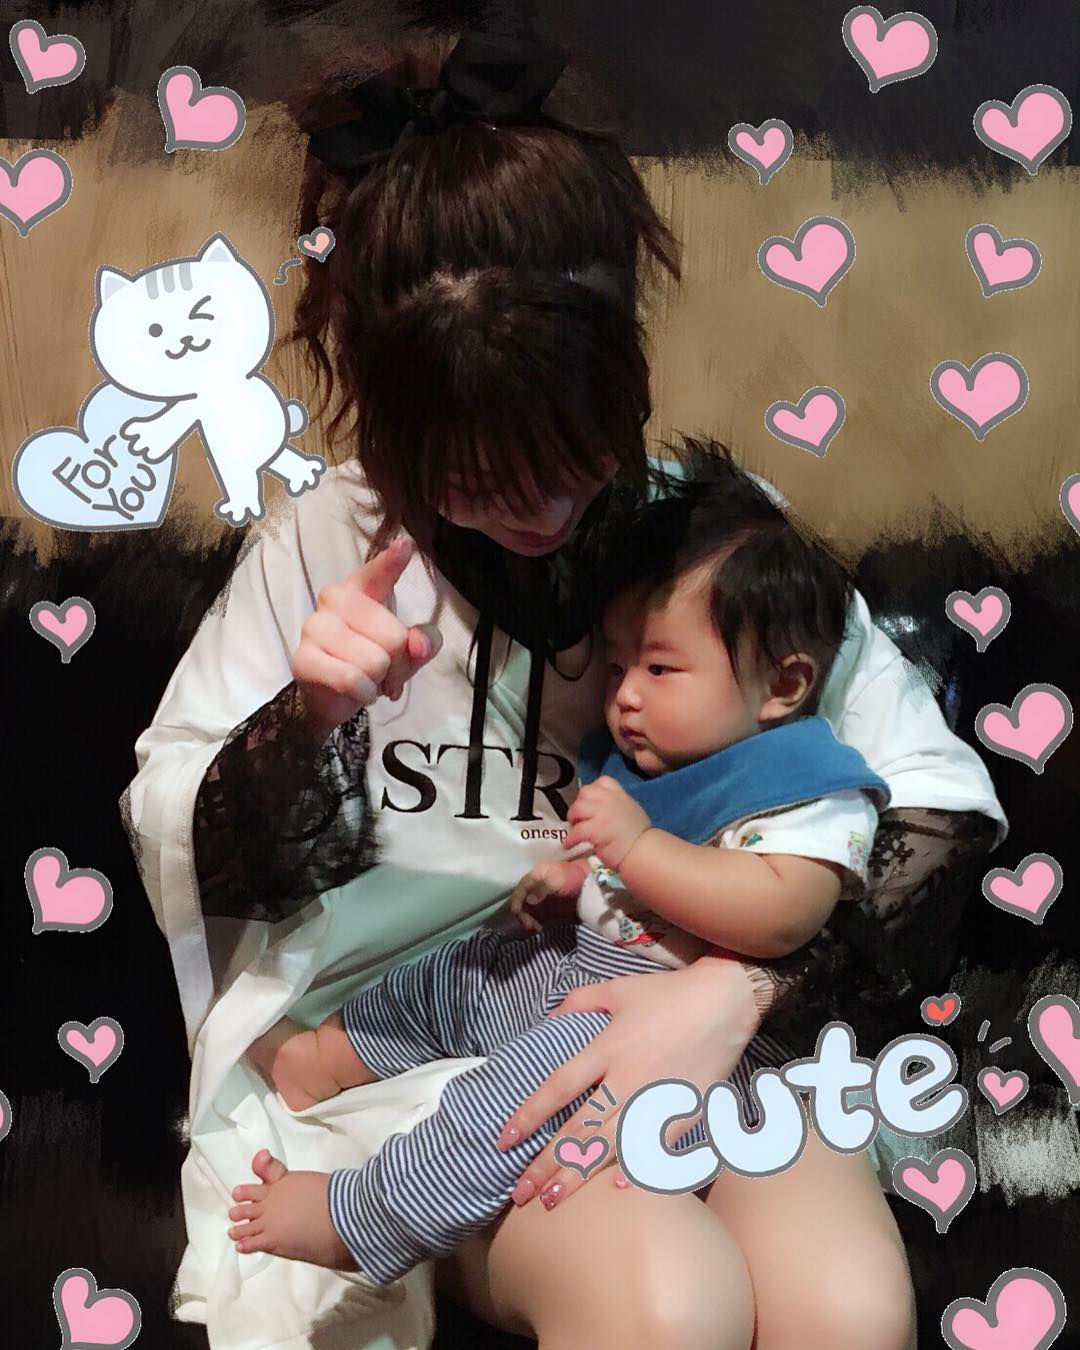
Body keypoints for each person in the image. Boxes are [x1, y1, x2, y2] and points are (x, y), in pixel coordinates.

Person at [122, 27, 1006, 1350]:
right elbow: (189, 847)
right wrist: (306, 723)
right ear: (389, 417)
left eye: (571, 454)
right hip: (422, 1053)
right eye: (477, 476)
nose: (537, 513)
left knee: (847, 1305)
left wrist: (727, 996)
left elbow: (925, 805)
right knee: (668, 1299)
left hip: (712, 1021)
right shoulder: (323, 545)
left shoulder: (717, 544)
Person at [227, 446, 895, 1298]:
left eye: (659, 668)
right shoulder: (659, 756)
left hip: (696, 1029)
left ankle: (363, 1215)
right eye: (616, 666)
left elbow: (782, 911)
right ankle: (322, 1058)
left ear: (785, 684)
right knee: (455, 978)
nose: (625, 696)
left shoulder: (803, 784)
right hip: (582, 968)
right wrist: (579, 885)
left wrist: (636, 852)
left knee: (514, 1105)